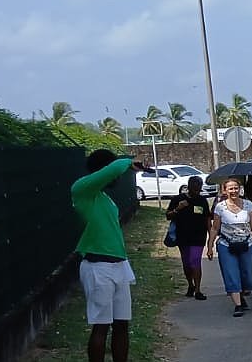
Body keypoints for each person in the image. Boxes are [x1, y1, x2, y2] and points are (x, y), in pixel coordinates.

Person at [72, 150, 148, 362]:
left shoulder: (104, 198)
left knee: (122, 324)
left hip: (118, 265)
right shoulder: (82, 190)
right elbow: (114, 168)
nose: (117, 177)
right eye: (113, 172)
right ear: (103, 170)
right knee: (101, 326)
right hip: (98, 266)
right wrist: (129, 162)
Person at [207, 178, 252, 317]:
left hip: (246, 244)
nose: (233, 191)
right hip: (226, 245)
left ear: (240, 189)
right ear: (224, 191)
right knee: (231, 274)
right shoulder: (220, 207)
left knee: (247, 277)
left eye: (236, 188)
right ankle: (238, 305)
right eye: (230, 188)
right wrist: (209, 247)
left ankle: (241, 295)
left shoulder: (248, 205)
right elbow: (215, 228)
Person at [166, 175, 211, 301]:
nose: (197, 190)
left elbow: (207, 218)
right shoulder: (178, 199)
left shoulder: (202, 201)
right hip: (183, 236)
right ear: (189, 187)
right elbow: (168, 215)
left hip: (198, 236)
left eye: (199, 187)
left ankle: (198, 290)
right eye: (195, 187)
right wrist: (178, 209)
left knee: (195, 260)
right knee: (186, 263)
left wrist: (210, 237)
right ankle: (190, 285)